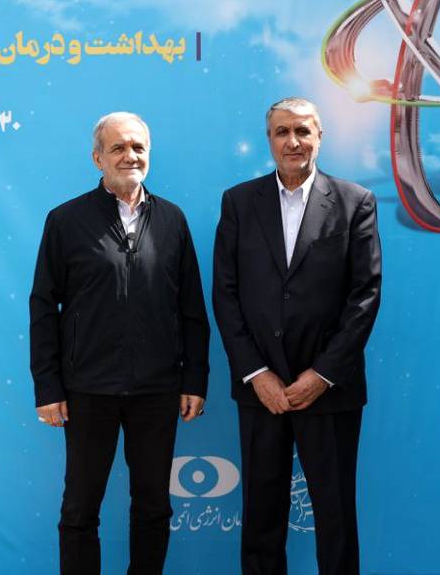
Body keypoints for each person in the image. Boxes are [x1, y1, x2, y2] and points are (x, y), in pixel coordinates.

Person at [29, 111, 210, 575]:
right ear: (98, 158)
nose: (130, 156)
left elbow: (191, 308)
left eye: (138, 147)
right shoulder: (65, 220)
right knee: (79, 509)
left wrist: (195, 379)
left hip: (157, 389)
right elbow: (44, 306)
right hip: (88, 390)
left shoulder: (172, 219)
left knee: (153, 507)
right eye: (118, 148)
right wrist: (48, 386)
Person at [212, 97, 383, 575]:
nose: (293, 141)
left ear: (319, 137)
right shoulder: (239, 203)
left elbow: (365, 295)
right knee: (261, 516)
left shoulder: (354, 202)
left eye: (303, 131)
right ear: (269, 140)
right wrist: (256, 373)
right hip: (261, 391)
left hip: (329, 390)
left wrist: (323, 374)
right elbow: (226, 294)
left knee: (335, 516)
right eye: (282, 132)